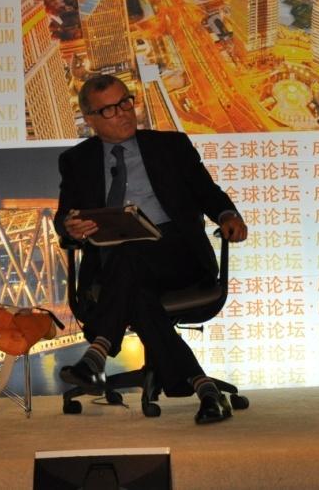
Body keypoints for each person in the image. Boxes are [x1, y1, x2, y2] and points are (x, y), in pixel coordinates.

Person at [54, 74, 248, 424]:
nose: (123, 113)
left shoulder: (170, 146)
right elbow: (65, 217)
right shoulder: (76, 161)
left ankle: (99, 349)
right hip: (115, 265)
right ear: (90, 119)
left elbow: (207, 193)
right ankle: (205, 389)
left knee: (129, 256)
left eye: (125, 102)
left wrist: (227, 215)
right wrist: (71, 227)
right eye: (110, 110)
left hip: (178, 257)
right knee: (136, 285)